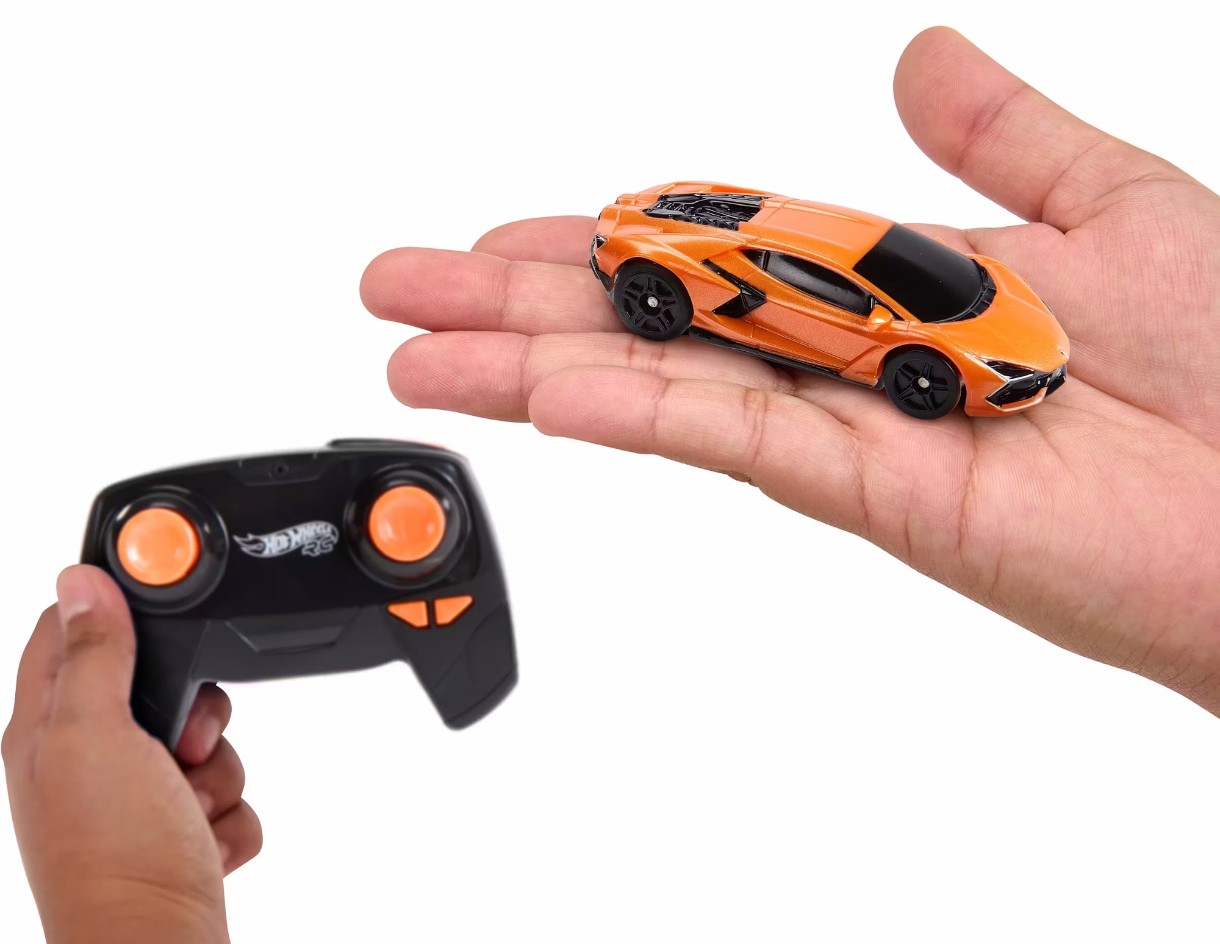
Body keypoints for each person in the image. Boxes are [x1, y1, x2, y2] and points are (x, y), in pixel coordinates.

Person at [6, 26, 1217, 944]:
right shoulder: (735, 274)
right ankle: (368, 548)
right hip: (734, 282)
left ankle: (346, 552)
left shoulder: (977, 322)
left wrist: (126, 898)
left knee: (410, 548)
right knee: (410, 542)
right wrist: (136, 891)